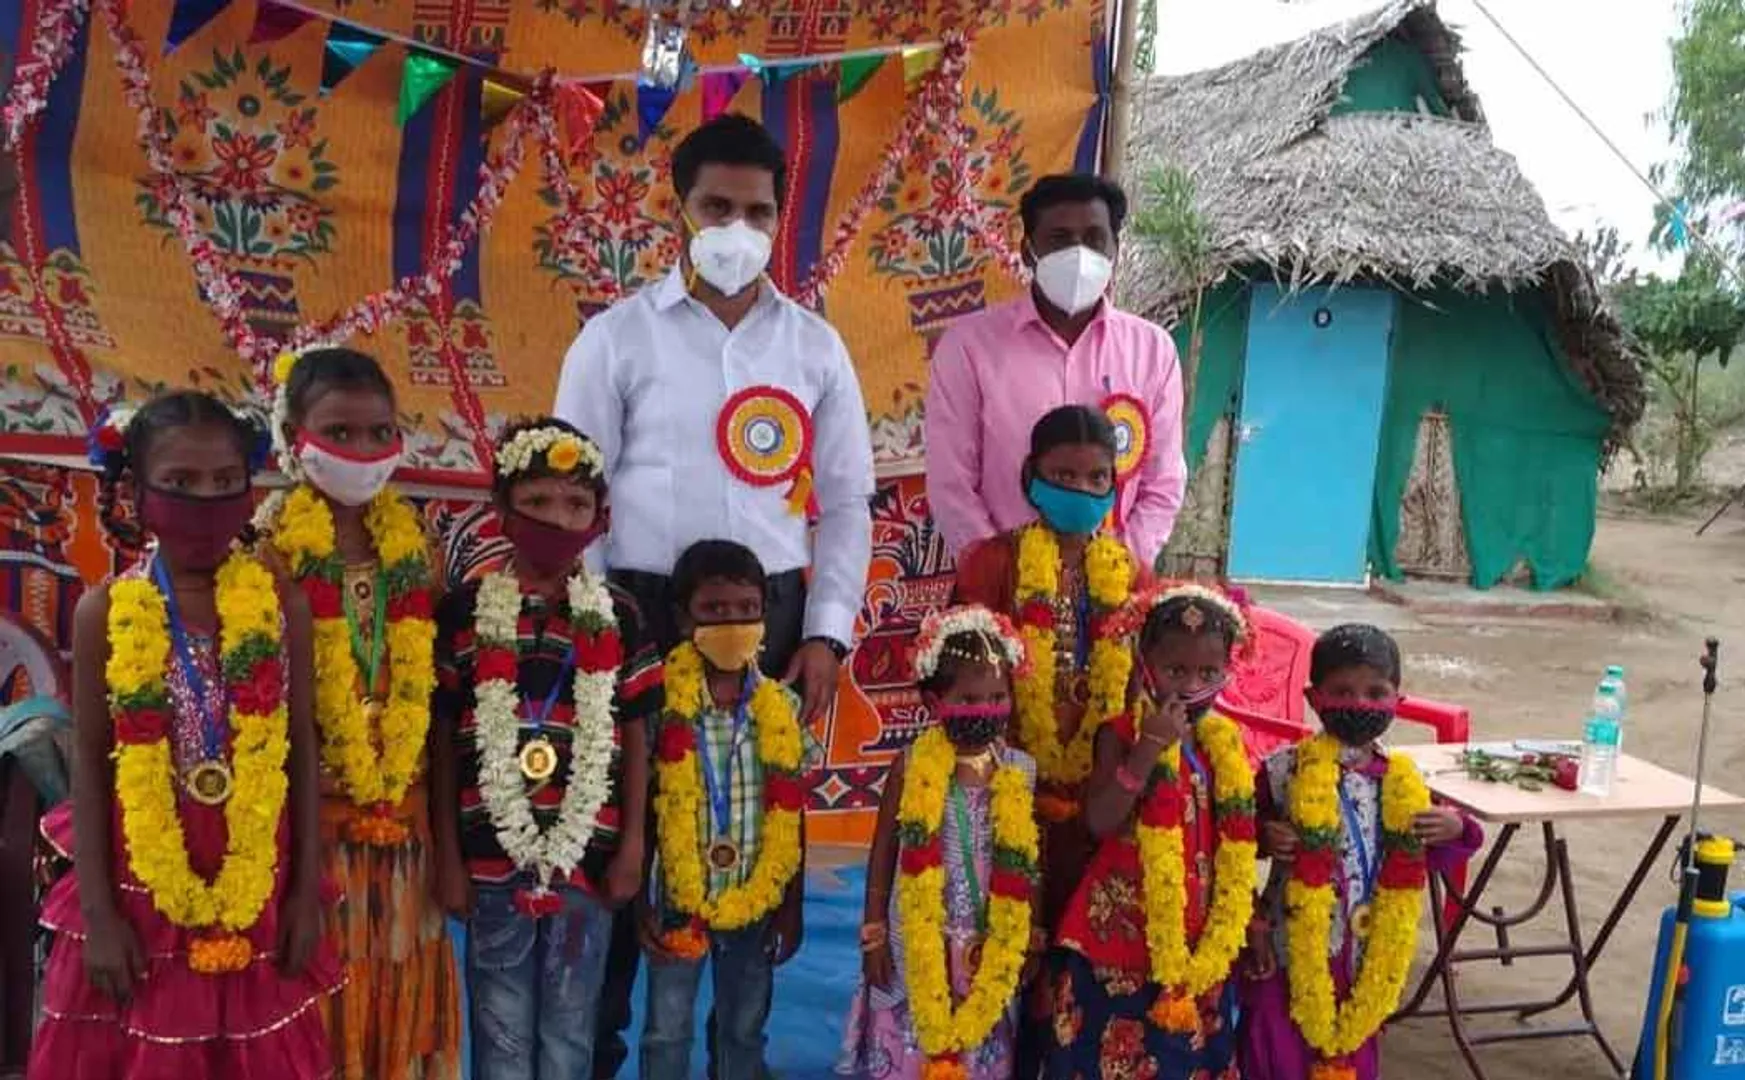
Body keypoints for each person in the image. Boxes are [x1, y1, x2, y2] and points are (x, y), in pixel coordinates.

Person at [553, 111, 873, 1076]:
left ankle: (741, 1048)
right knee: (626, 834)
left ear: (780, 221)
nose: (736, 227)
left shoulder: (815, 348)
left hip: (766, 614)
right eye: (716, 206)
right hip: (639, 610)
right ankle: (611, 1048)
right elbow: (573, 493)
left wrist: (824, 632)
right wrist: (596, 629)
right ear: (679, 211)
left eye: (757, 211)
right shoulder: (614, 339)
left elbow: (848, 500)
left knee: (750, 823)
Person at [30, 392, 340, 1076]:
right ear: (137, 493)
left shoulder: (279, 601)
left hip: (258, 870)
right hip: (139, 878)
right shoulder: (103, 610)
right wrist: (100, 916)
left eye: (226, 483)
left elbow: (300, 748)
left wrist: (304, 892)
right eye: (180, 484)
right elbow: (88, 762)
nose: (206, 501)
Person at [430, 418, 662, 1080]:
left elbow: (638, 731)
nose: (556, 519)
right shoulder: (465, 610)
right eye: (536, 502)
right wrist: (448, 855)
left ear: (599, 517)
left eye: (574, 504)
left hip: (589, 857)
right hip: (488, 858)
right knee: (500, 1032)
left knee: (569, 1030)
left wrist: (632, 848)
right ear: (501, 510)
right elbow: (444, 736)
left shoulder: (620, 612)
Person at [255, 347, 461, 1080]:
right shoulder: (265, 556)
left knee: (402, 1010)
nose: (365, 452)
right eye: (340, 432)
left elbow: (434, 706)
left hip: (406, 834)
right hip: (311, 840)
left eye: (380, 432)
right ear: (292, 435)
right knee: (318, 1009)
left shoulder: (419, 552)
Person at [1238, 624, 1480, 1080]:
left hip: (1365, 955)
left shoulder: (1402, 783)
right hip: (1286, 946)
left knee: (1352, 1048)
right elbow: (1234, 840)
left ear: (1397, 702)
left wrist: (1454, 828)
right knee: (1274, 1050)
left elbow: (1438, 849)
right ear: (1313, 699)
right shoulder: (1282, 771)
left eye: (1375, 692)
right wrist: (1265, 836)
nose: (1361, 704)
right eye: (1344, 691)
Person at [1049, 582, 1259, 1080]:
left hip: (1198, 944)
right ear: (1145, 665)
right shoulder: (1118, 734)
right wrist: (1145, 754)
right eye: (1175, 670)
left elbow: (1236, 841)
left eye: (1208, 672)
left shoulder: (1224, 746)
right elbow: (1099, 821)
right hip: (1119, 947)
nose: (1190, 685)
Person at [924, 173, 1187, 571]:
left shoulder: (1153, 351)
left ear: (1115, 248)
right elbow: (951, 481)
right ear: (1028, 250)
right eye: (1060, 239)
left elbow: (1163, 481)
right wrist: (998, 567)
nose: (1079, 254)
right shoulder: (969, 346)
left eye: (1095, 239)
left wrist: (1122, 564)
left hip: (1116, 590)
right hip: (1002, 586)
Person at [641, 539, 822, 1080]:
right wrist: (640, 902)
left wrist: (791, 904)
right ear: (682, 618)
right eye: (714, 611)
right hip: (678, 900)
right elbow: (647, 808)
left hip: (755, 902)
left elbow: (794, 813)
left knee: (743, 1029)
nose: (732, 622)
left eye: (746, 610)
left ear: (765, 617)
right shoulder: (660, 706)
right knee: (665, 1029)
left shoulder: (782, 709)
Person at [838, 605, 1042, 1080]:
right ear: (933, 703)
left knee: (980, 1034)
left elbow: (1032, 864)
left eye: (997, 696)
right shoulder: (910, 766)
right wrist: (873, 935)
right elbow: (883, 852)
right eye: (970, 698)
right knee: (914, 1034)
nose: (985, 710)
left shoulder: (1021, 770)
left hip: (990, 942)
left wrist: (1031, 937)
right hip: (915, 936)